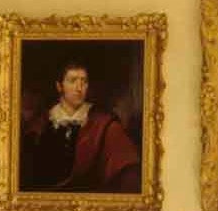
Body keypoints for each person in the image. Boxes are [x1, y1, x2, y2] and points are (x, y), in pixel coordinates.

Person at [20, 59, 140, 194]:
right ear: (59, 86)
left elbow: (128, 171)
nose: (79, 88)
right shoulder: (39, 123)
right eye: (72, 81)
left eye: (84, 81)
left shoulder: (104, 124)